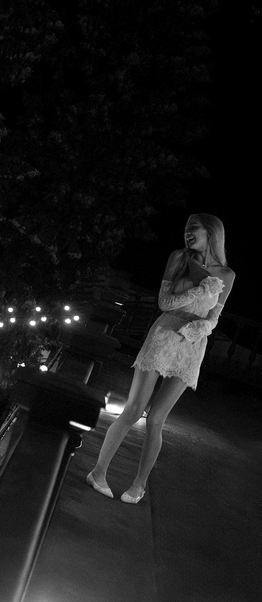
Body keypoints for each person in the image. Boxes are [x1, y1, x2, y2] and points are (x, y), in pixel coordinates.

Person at [87, 214, 235, 504]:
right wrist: (199, 288)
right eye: (186, 227)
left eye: (193, 228)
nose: (187, 232)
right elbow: (164, 302)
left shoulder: (227, 275)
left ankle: (139, 485)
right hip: (165, 334)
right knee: (133, 410)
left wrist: (200, 327)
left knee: (156, 420)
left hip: (192, 345)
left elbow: (214, 316)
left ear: (211, 233)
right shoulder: (179, 258)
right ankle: (98, 472)